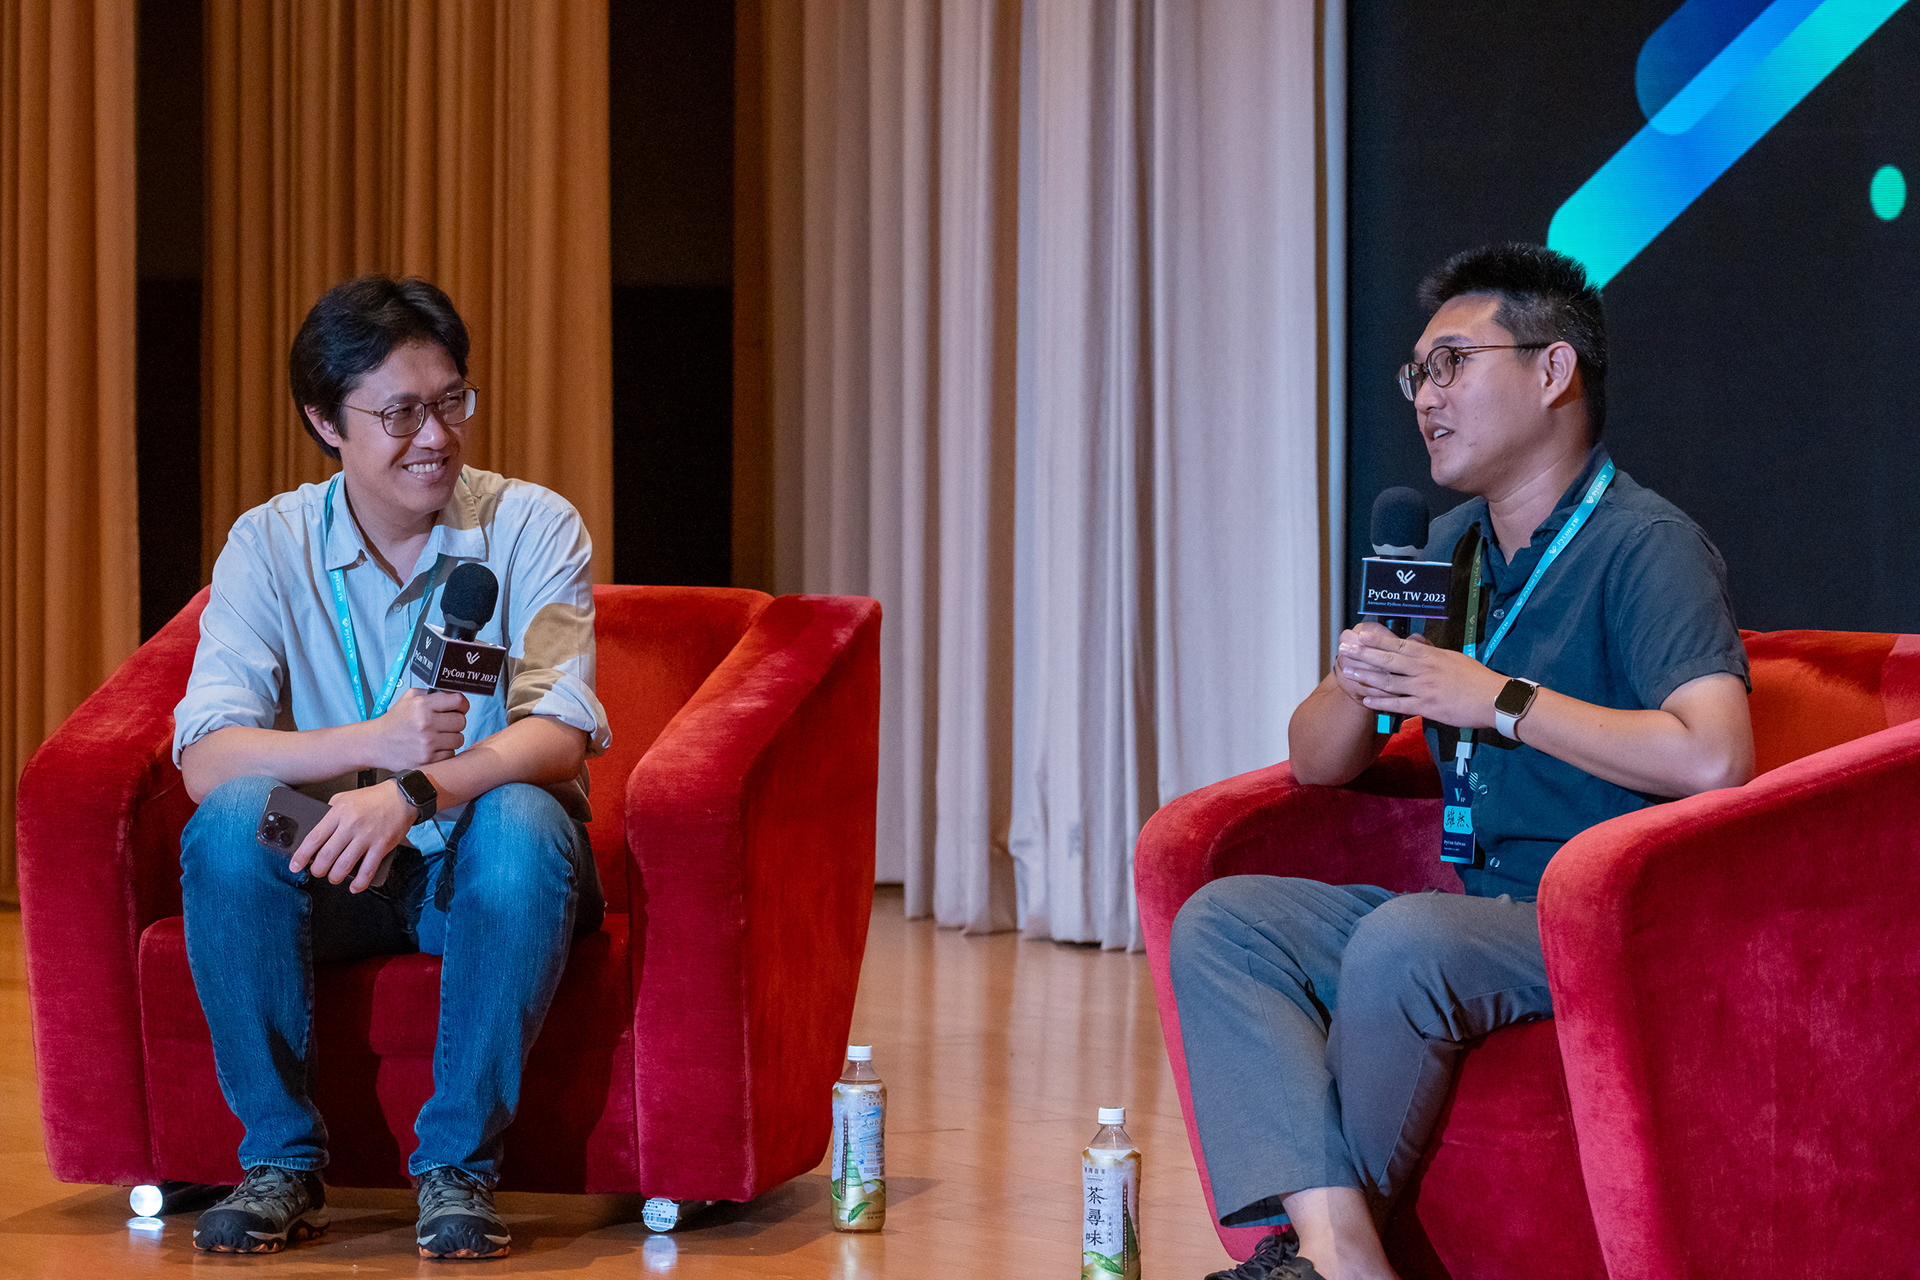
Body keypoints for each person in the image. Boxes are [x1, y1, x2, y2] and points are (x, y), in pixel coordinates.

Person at [1170, 244, 1754, 1280]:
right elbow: (1316, 763)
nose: (1426, 397)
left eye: (1452, 364)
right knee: (1227, 920)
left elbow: (1714, 756)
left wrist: (1498, 700)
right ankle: (1341, 1254)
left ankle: (1313, 1258)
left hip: (1602, 916)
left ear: (1553, 370)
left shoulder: (1646, 545)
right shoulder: (1443, 549)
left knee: (1405, 939)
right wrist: (1361, 673)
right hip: (1479, 907)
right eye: (1417, 374)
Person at [172, 275, 610, 1259]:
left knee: (525, 815)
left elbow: (560, 731)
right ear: (326, 421)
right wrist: (373, 746)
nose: (435, 436)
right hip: (337, 855)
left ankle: (459, 1171)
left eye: (452, 401)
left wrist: (412, 791)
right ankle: (280, 1162)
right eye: (401, 412)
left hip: (481, 860)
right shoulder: (270, 543)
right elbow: (207, 756)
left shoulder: (530, 525)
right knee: (234, 819)